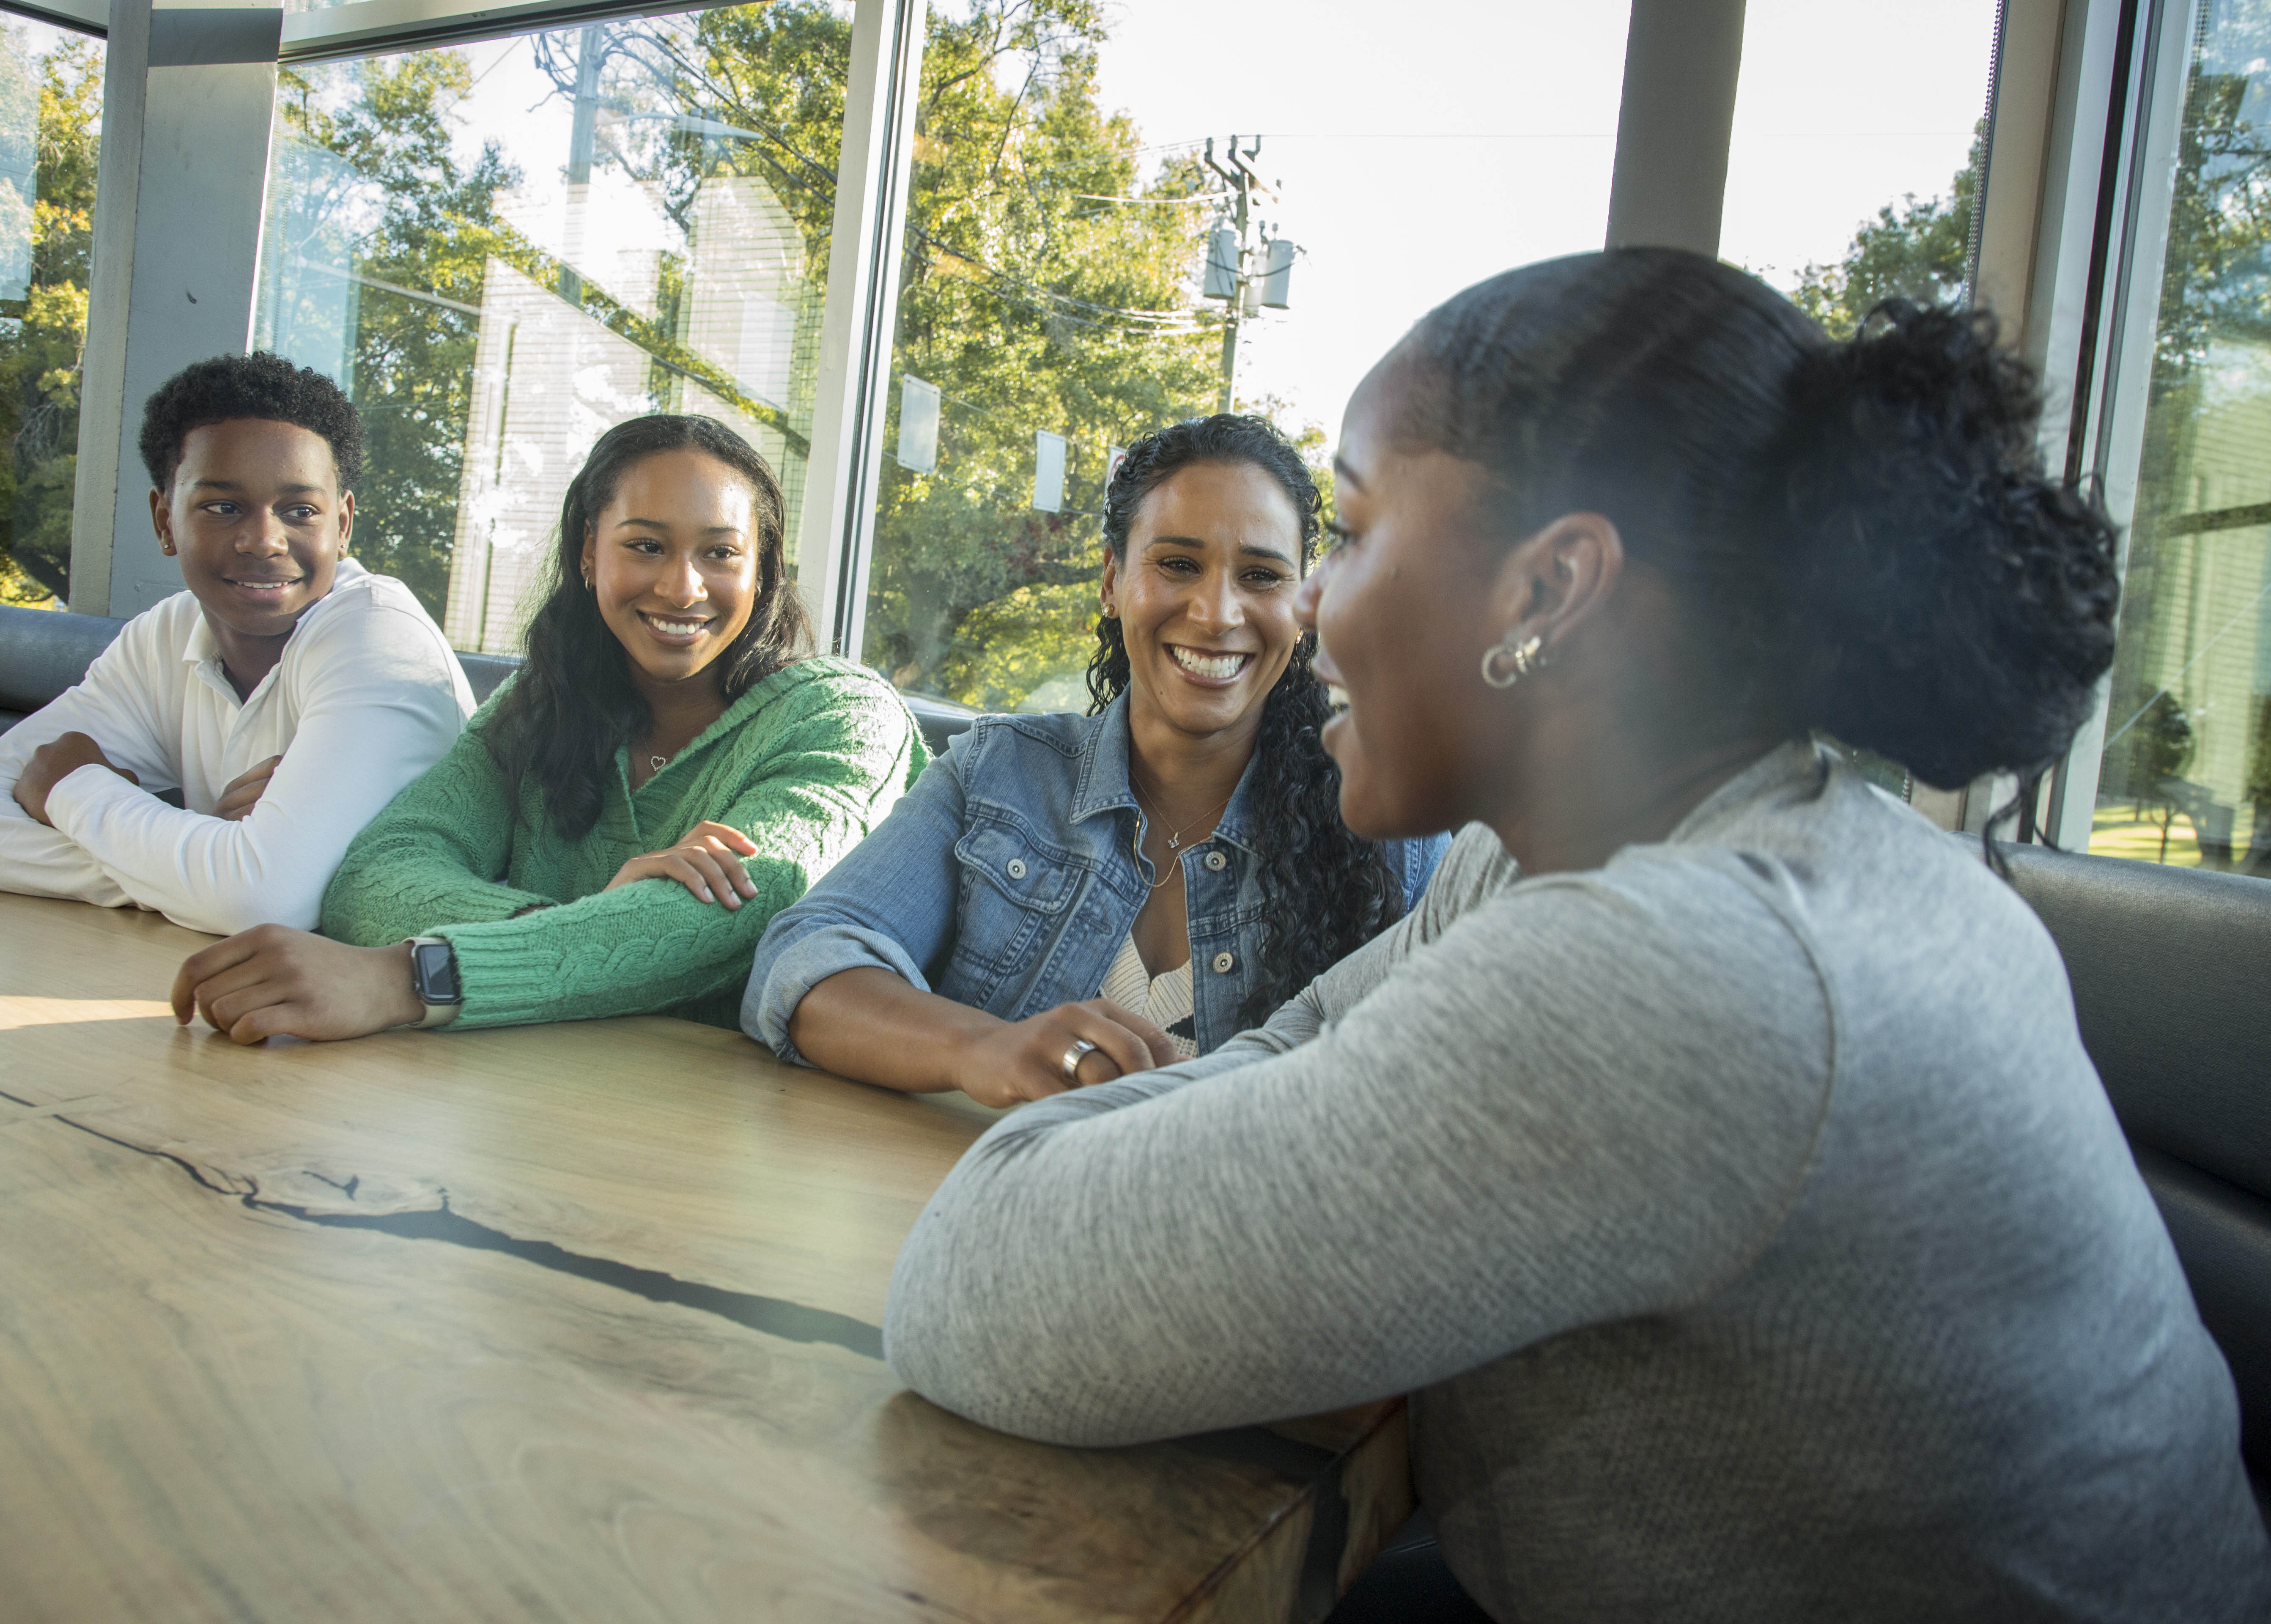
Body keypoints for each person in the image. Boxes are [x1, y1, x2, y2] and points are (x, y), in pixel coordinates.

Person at [882, 252, 2271, 1620]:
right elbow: (1313, 1039)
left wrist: (1088, 1144)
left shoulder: (1687, 972)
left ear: (1548, 595)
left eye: (1351, 536)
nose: (1296, 612)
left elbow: (971, 1290)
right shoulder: (1583, 853)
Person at [745, 414, 1451, 1109]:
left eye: (1262, 576)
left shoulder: (1395, 831)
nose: (1216, 612)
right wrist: (982, 1048)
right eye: (1178, 564)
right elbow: (803, 961)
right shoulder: (1000, 776)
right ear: (1112, 582)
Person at [167, 414, 927, 1043]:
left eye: (721, 554)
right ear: (589, 554)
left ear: (762, 574)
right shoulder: (544, 705)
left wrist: (411, 977)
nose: (683, 587)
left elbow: (732, 921)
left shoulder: (849, 720)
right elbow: (377, 872)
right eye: (647, 546)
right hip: (543, 1102)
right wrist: (576, 924)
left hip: (769, 1136)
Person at [0, 353, 472, 936]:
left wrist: (76, 789)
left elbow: (257, 901)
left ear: (343, 523)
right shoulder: (165, 637)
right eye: (223, 507)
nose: (264, 540)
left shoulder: (380, 638)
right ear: (164, 521)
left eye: (300, 511)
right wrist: (203, 860)